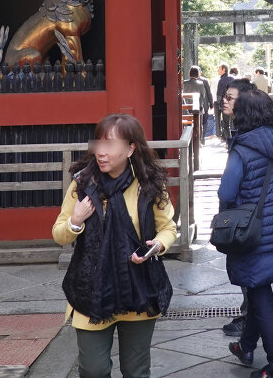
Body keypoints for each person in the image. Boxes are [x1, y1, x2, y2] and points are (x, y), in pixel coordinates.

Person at [53, 114, 176, 378]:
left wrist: (157, 245)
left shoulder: (149, 183)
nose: (101, 151)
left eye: (109, 144)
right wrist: (76, 220)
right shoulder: (83, 184)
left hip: (138, 288)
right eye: (98, 143)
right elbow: (59, 235)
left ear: (130, 148)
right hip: (92, 290)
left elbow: (168, 228)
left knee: (136, 371)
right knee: (93, 369)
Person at [220, 88, 273, 378]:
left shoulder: (242, 149)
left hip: (253, 235)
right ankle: (245, 347)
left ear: (243, 115)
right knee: (258, 290)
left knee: (260, 295)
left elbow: (226, 192)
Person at [217, 78, 255, 339]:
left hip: (245, 213)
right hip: (256, 211)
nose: (224, 101)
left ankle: (250, 321)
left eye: (230, 97)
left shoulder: (245, 139)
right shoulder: (256, 132)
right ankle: (251, 323)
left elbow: (228, 190)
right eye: (225, 96)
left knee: (249, 270)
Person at [183, 65, 213, 143]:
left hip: (187, 107)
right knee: (199, 124)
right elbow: (203, 95)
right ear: (197, 73)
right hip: (197, 107)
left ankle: (189, 141)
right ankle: (199, 141)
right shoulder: (200, 83)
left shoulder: (185, 83)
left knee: (188, 125)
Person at [215, 65, 234, 143]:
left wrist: (219, 103)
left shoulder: (221, 80)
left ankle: (228, 141)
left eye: (219, 69)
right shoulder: (232, 79)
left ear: (224, 70)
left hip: (225, 104)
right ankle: (234, 140)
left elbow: (219, 94)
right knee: (233, 123)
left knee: (226, 124)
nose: (218, 70)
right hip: (233, 104)